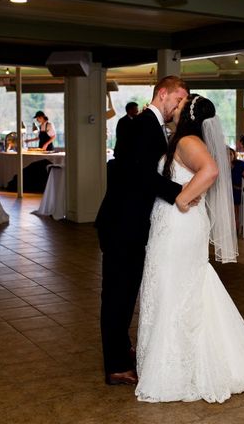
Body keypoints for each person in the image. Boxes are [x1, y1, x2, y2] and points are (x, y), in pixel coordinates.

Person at [135, 94, 244, 403]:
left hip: (179, 226)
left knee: (174, 290)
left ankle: (176, 370)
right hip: (173, 224)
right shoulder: (184, 140)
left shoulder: (187, 142)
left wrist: (183, 198)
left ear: (188, 115)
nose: (176, 107)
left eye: (181, 105)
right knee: (178, 288)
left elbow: (210, 170)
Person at [94, 76, 190, 386]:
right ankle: (117, 365)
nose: (179, 106)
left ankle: (120, 352)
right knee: (118, 296)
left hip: (128, 223)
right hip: (123, 225)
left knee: (122, 294)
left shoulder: (147, 125)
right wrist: (179, 192)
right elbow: (140, 177)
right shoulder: (144, 125)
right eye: (177, 99)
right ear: (162, 94)